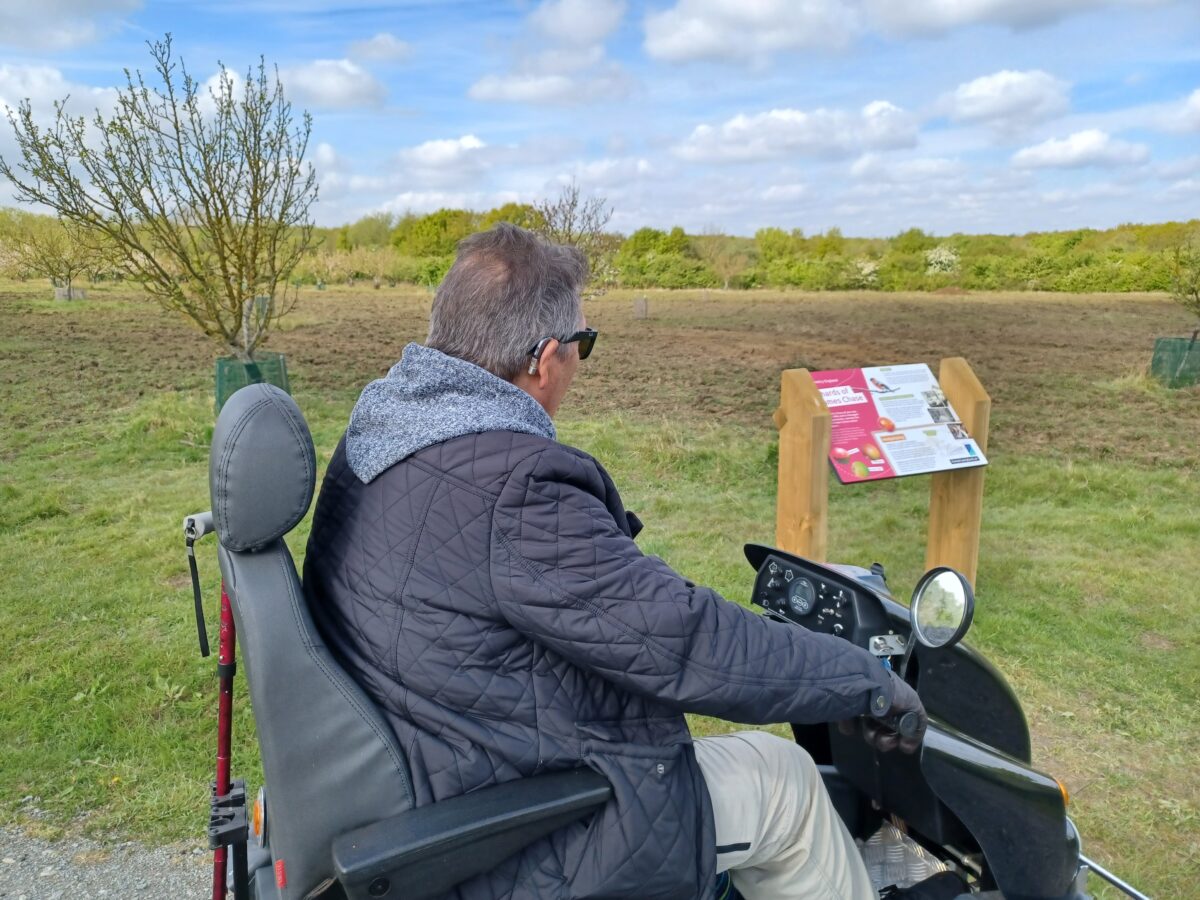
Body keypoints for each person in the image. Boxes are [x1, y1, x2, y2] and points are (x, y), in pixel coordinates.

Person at [305, 224, 950, 900]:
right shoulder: (511, 489)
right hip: (508, 823)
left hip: (446, 758)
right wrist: (862, 679)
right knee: (782, 781)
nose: (583, 359)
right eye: (586, 342)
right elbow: (686, 644)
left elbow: (583, 600)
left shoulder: (386, 434)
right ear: (546, 358)